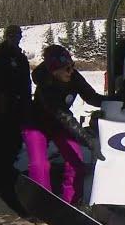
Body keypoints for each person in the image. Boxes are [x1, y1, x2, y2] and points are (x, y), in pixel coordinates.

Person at [24, 45, 105, 211]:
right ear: (54, 71)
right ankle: (42, 207)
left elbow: (93, 98)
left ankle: (72, 203)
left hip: (58, 124)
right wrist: (89, 140)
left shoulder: (73, 76)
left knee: (76, 160)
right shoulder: (46, 86)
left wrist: (119, 100)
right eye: (66, 68)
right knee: (40, 165)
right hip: (36, 125)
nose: (71, 71)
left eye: (72, 66)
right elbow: (64, 116)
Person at [0, 25, 31, 204]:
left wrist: (27, 105)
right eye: (13, 35)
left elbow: (26, 83)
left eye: (19, 35)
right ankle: (0, 180)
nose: (17, 37)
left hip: (18, 106)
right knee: (2, 145)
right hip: (4, 107)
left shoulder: (20, 57)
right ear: (7, 36)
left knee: (14, 143)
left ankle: (6, 175)